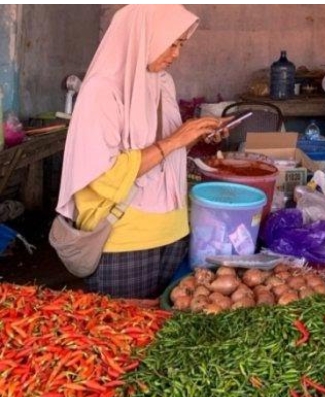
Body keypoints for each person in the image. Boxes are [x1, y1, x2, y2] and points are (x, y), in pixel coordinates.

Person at [56, 5, 227, 299]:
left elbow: (167, 155)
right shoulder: (103, 91)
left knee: (162, 330)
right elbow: (102, 176)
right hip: (125, 237)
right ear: (142, 36)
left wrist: (198, 135)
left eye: (180, 45)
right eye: (170, 43)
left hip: (173, 230)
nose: (176, 54)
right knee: (123, 334)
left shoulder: (162, 82)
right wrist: (176, 139)